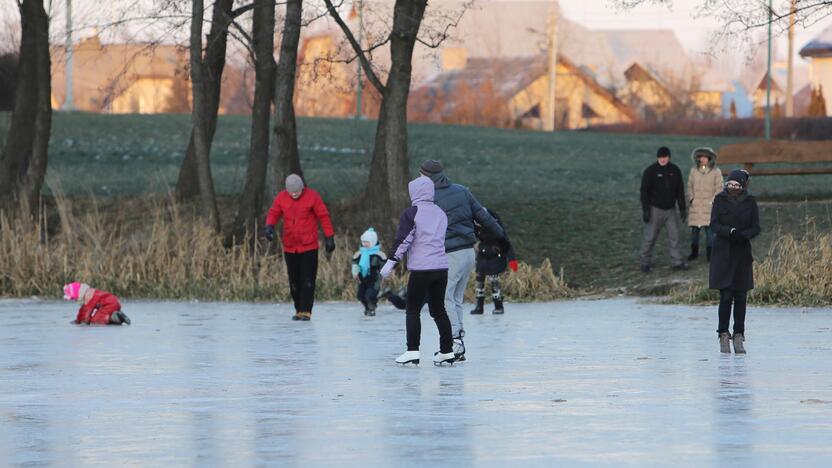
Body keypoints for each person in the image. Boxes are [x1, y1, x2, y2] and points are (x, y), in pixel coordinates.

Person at [420, 159, 505, 362]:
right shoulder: (462, 191)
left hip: (449, 254)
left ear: (428, 176)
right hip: (468, 252)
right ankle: (456, 345)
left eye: (421, 175)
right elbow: (482, 216)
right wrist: (499, 234)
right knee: (455, 298)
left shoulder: (428, 197)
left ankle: (455, 342)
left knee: (444, 298)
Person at [380, 175, 455, 366]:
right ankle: (446, 351)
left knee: (412, 310)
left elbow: (403, 240)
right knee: (438, 310)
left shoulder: (412, 213)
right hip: (441, 268)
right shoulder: (440, 212)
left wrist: (390, 263)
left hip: (422, 270)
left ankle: (412, 350)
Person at [265, 174, 336, 321]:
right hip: (290, 246)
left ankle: (306, 310)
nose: (294, 194)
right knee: (294, 281)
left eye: (297, 191)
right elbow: (274, 212)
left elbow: (323, 216)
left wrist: (329, 237)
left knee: (308, 280)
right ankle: (298, 309)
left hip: (309, 246)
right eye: (291, 192)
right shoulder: (281, 198)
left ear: (302, 188)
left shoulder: (312, 197)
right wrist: (269, 227)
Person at [709, 169, 760, 354]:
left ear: (743, 186)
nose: (733, 188)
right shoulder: (719, 199)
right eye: (730, 185)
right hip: (723, 252)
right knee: (726, 295)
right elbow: (714, 224)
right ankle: (723, 333)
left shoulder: (750, 201)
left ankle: (739, 335)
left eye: (737, 185)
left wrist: (742, 235)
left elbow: (756, 227)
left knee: (740, 296)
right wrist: (730, 232)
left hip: (742, 253)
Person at [639, 146, 688, 272]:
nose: (663, 159)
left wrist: (682, 208)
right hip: (655, 209)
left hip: (671, 210)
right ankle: (644, 262)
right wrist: (646, 209)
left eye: (665, 157)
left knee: (675, 236)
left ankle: (677, 262)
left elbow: (680, 190)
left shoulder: (675, 170)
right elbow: (644, 191)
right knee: (650, 237)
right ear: (657, 157)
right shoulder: (650, 171)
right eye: (661, 157)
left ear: (669, 157)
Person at [470, 207, 518, 315]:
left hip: (495, 253)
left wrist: (512, 259)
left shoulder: (495, 225)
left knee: (494, 279)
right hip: (483, 253)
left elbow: (505, 240)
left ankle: (498, 306)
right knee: (479, 278)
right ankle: (479, 306)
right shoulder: (474, 223)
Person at [686, 147, 723, 262]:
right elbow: (689, 186)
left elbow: (719, 188)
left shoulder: (716, 172)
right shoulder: (693, 171)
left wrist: (713, 201)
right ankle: (694, 252)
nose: (702, 159)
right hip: (696, 206)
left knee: (710, 233)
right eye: (700, 157)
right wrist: (691, 198)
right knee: (694, 233)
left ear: (709, 158)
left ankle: (710, 254)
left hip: (709, 207)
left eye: (704, 157)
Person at [351, 228, 387, 317]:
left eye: (367, 242)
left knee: (369, 294)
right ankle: (367, 307)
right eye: (364, 242)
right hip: (362, 279)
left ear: (373, 241)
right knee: (360, 295)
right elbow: (355, 264)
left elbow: (384, 266)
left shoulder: (379, 255)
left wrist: (386, 275)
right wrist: (355, 273)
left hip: (374, 279)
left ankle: (372, 307)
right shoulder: (359, 254)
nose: (365, 244)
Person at [63, 282, 131, 325]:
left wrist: (84, 322)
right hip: (114, 302)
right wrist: (78, 320)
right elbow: (83, 310)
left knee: (96, 321)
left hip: (109, 305)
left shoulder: (88, 296)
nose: (74, 300)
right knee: (101, 318)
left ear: (77, 294)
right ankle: (116, 315)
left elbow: (87, 311)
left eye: (73, 298)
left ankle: (115, 318)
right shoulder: (89, 292)